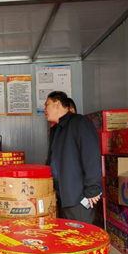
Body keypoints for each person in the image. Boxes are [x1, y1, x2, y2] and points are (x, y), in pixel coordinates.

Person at [45, 91, 102, 223]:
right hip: (62, 195)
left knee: (80, 232)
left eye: (47, 105)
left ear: (57, 104)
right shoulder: (57, 129)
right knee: (67, 233)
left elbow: (91, 157)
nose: (44, 110)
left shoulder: (80, 123)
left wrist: (92, 190)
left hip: (78, 197)